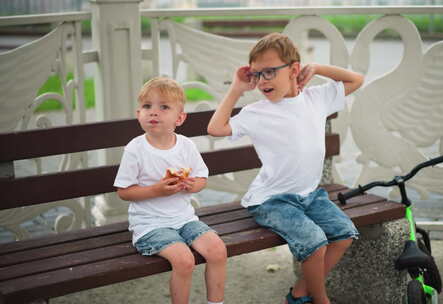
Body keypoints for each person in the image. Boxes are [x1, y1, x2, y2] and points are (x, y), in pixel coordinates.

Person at [207, 33, 364, 304]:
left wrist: (316, 68)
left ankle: (300, 293)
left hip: (308, 195)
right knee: (315, 243)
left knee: (344, 234)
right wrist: (236, 88)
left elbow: (357, 80)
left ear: (293, 70)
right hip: (271, 201)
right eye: (257, 75)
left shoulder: (316, 99)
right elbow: (215, 128)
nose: (262, 81)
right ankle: (321, 299)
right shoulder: (257, 113)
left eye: (269, 72)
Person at [114, 76, 227, 304]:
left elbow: (201, 178)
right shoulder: (136, 149)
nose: (153, 112)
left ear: (180, 118)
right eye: (147, 106)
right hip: (149, 225)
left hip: (184, 219)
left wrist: (193, 185)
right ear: (139, 114)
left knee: (217, 250)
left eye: (163, 107)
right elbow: (124, 192)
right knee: (184, 260)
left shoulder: (186, 146)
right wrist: (156, 190)